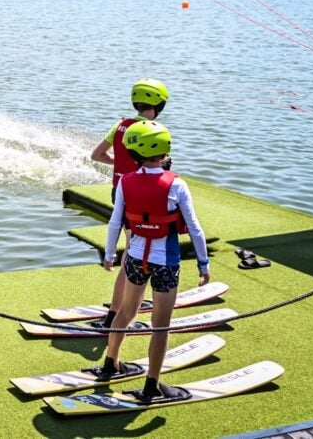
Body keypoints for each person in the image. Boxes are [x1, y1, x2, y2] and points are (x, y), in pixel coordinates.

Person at [96, 120, 211, 404]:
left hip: (135, 258)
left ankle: (111, 364)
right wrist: (203, 264)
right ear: (165, 150)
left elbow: (115, 222)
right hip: (166, 263)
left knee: (125, 312)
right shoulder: (177, 185)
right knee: (161, 325)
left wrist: (110, 254)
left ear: (134, 153)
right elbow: (195, 228)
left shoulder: (125, 181)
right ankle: (152, 386)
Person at [89, 78, 169, 329]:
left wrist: (120, 164)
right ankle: (114, 316)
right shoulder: (154, 131)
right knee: (133, 256)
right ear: (159, 104)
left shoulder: (120, 125)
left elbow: (96, 155)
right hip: (141, 198)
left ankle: (129, 300)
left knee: (133, 251)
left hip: (119, 192)